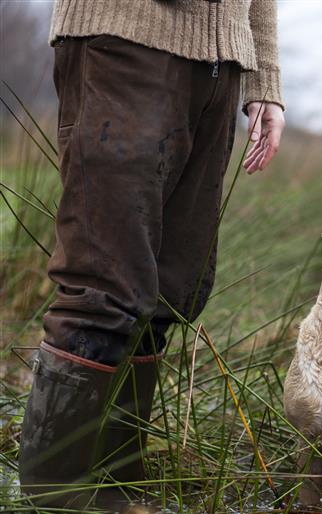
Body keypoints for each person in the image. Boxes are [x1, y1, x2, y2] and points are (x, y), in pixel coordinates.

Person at [18, 0, 285, 509]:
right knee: (104, 286)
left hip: (219, 66)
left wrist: (263, 82)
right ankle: (55, 498)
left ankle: (118, 491)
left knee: (168, 292)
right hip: (125, 44)